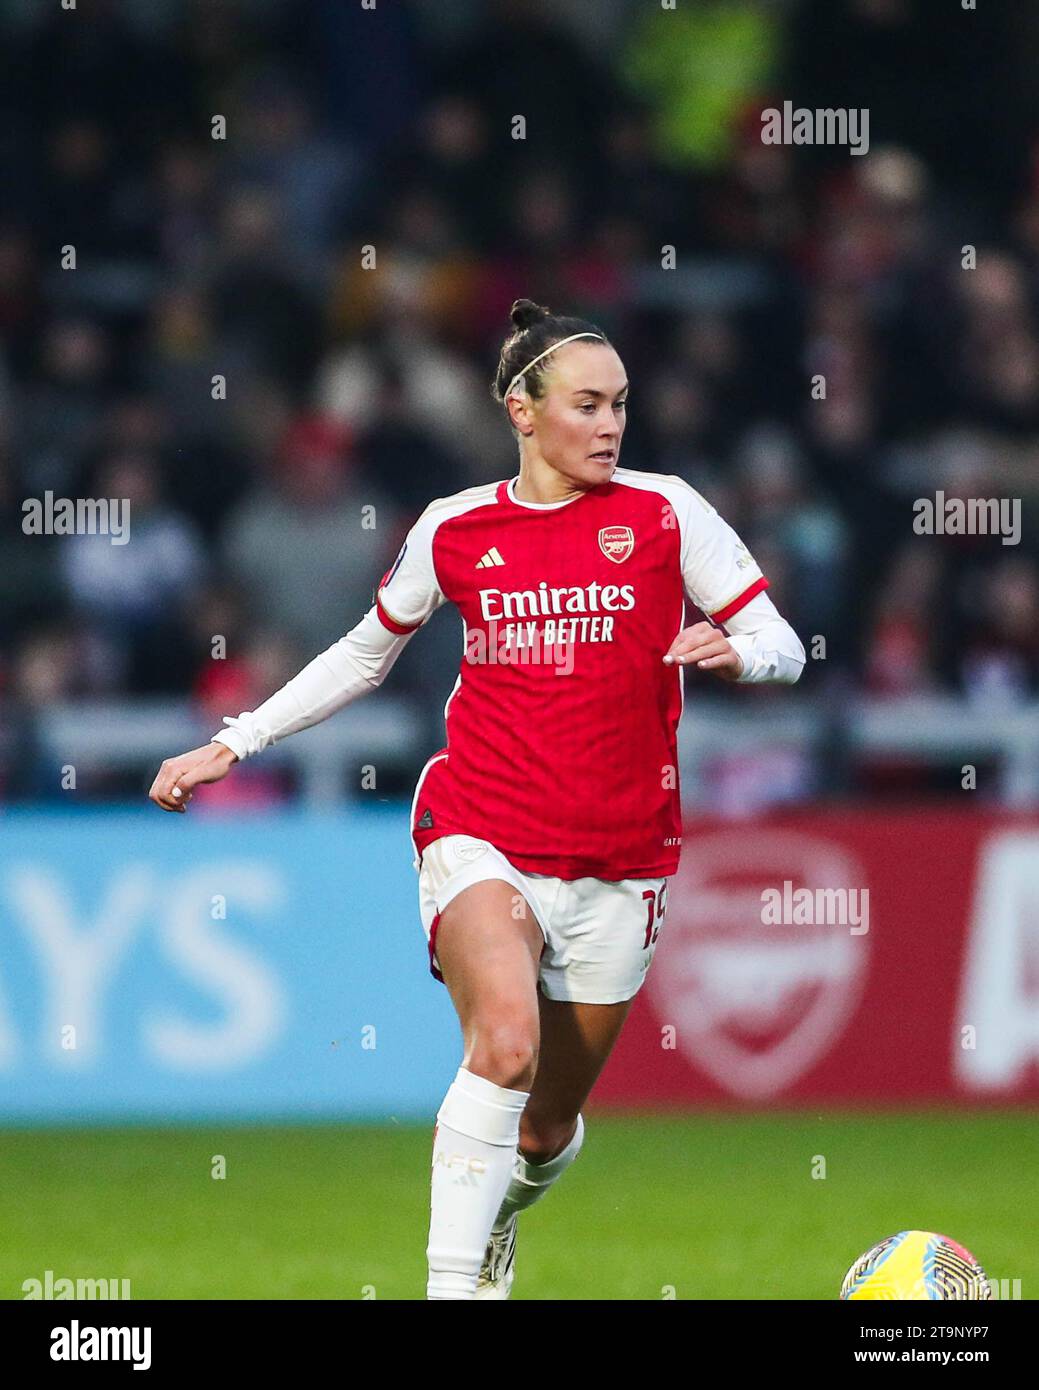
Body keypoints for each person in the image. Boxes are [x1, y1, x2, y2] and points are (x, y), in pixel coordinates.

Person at [148, 299, 806, 1299]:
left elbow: (784, 644)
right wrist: (236, 738)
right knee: (502, 1038)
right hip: (480, 826)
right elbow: (367, 654)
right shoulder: (457, 528)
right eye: (585, 405)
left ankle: (498, 1209)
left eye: (619, 405)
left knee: (543, 1131)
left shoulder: (665, 511)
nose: (608, 425)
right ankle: (454, 1286)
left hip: (624, 859)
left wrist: (741, 653)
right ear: (521, 410)